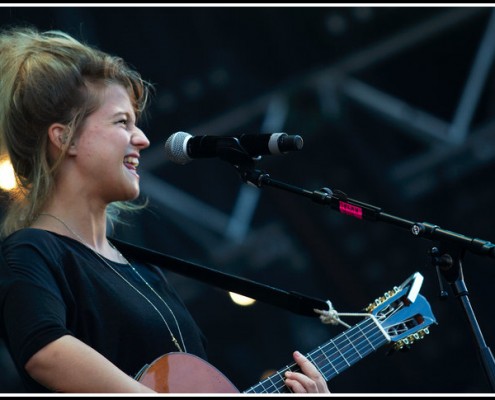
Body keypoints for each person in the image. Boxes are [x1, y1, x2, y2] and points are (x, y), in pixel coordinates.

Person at [0, 26, 331, 394]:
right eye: (122, 122)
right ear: (65, 138)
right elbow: (47, 353)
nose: (141, 139)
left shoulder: (146, 272)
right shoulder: (31, 253)